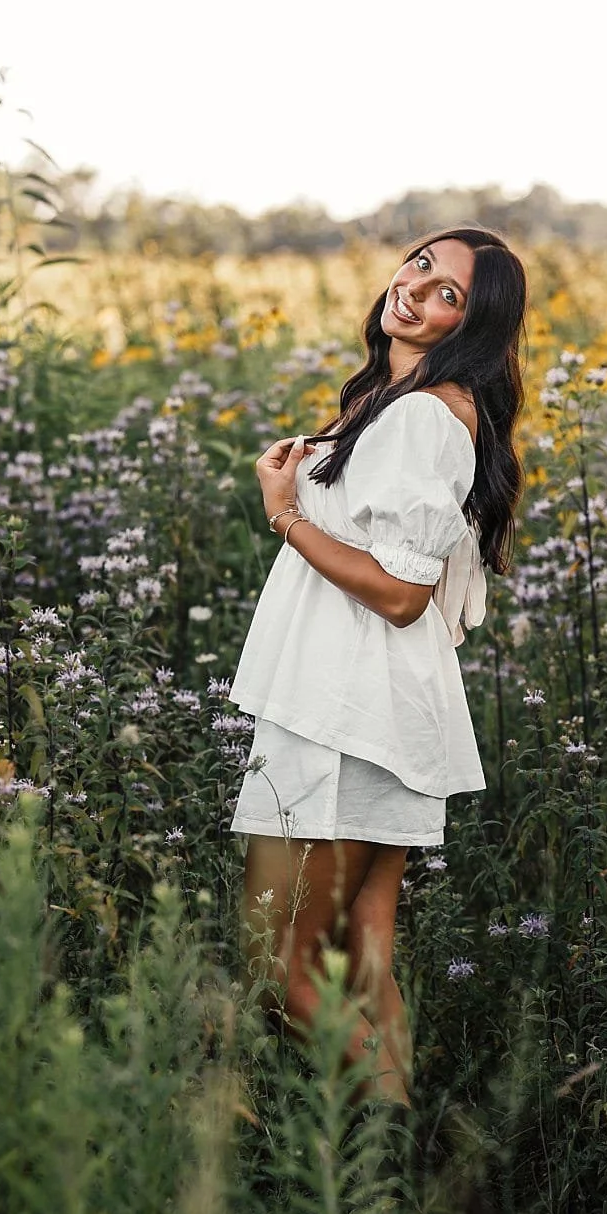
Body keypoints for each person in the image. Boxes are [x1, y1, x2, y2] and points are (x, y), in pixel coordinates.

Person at [229, 226, 527, 1108]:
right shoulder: (400, 401)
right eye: (422, 264)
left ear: (471, 328)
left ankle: (407, 1160)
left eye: (449, 296)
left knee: (279, 963)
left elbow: (401, 592)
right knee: (363, 953)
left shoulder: (424, 414)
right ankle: (407, 1195)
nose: (418, 288)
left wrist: (287, 514)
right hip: (374, 701)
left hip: (344, 708)